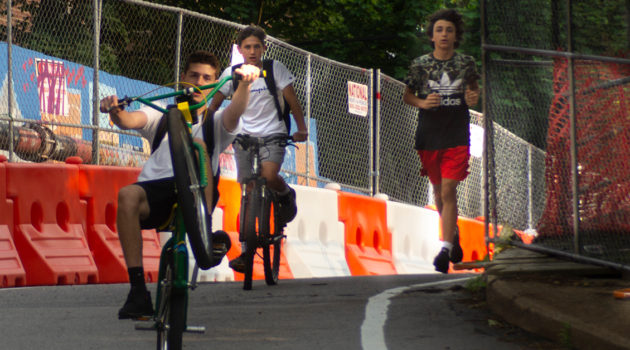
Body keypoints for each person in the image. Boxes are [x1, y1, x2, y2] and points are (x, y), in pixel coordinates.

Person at [100, 50, 261, 319]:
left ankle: (205, 235)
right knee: (127, 194)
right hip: (157, 190)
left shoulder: (216, 121)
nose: (199, 83)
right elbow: (129, 120)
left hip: (195, 190)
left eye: (207, 78)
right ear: (183, 78)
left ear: (214, 84)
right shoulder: (161, 114)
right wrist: (115, 111)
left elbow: (236, 110)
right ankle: (138, 292)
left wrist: (244, 83)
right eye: (194, 76)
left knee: (197, 145)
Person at [208, 25, 308, 273]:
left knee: (269, 176)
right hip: (243, 137)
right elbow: (215, 104)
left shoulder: (275, 69)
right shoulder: (231, 74)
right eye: (247, 47)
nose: (252, 51)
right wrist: (206, 127)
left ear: (263, 48)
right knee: (248, 189)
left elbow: (292, 101)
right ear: (240, 50)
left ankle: (286, 196)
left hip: (273, 133)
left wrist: (302, 128)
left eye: (256, 46)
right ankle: (245, 250)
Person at [402, 9, 480, 274]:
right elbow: (407, 96)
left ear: (456, 35)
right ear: (432, 36)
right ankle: (453, 235)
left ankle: (445, 249)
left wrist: (472, 97)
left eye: (449, 29)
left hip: (457, 134)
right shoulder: (420, 64)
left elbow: (473, 91)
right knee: (438, 192)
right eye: (439, 30)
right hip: (429, 135)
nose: (444, 34)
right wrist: (423, 102)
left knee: (448, 191)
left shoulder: (466, 63)